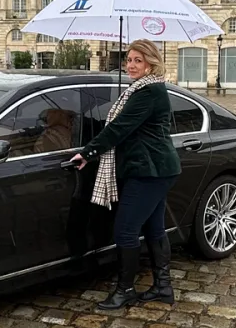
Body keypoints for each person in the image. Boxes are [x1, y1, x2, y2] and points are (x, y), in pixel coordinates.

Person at [68, 40, 181, 309]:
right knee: (153, 228)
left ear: (151, 63)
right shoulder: (141, 89)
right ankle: (163, 288)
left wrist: (88, 152)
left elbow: (120, 128)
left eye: (137, 61)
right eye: (128, 60)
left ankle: (126, 290)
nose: (130, 65)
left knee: (125, 231)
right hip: (153, 168)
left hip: (150, 170)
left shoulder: (148, 92)